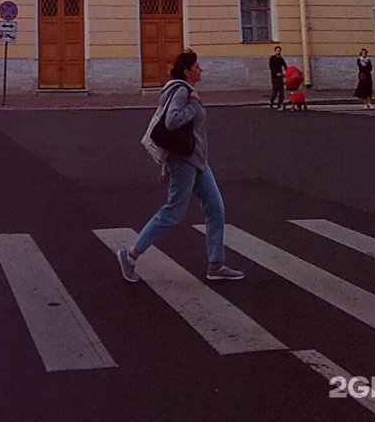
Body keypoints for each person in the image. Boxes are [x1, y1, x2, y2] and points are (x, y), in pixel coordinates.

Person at [117, 51, 244, 283]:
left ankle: (216, 264)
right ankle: (131, 255)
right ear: (187, 71)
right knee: (172, 212)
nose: (201, 69)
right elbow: (171, 121)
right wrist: (194, 108)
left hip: (198, 161)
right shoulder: (182, 91)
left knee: (216, 208)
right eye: (197, 66)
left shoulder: (186, 90)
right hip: (185, 161)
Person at [268, 45, 287, 110]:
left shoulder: (281, 59)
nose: (278, 52)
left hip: (280, 77)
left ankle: (279, 104)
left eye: (279, 50)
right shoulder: (272, 58)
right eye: (277, 50)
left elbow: (285, 66)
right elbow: (271, 67)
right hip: (274, 77)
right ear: (275, 51)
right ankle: (271, 102)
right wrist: (276, 73)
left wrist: (287, 72)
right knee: (275, 92)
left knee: (281, 93)